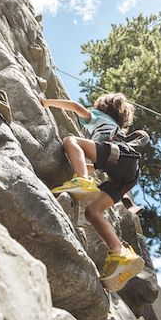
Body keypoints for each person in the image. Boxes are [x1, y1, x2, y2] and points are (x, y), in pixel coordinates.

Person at [40, 92, 148, 292]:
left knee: (71, 141)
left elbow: (74, 105)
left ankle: (81, 181)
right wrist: (80, 164)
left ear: (101, 107)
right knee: (93, 212)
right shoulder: (115, 130)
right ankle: (122, 253)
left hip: (117, 157)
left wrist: (45, 102)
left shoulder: (97, 116)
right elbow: (97, 162)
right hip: (127, 175)